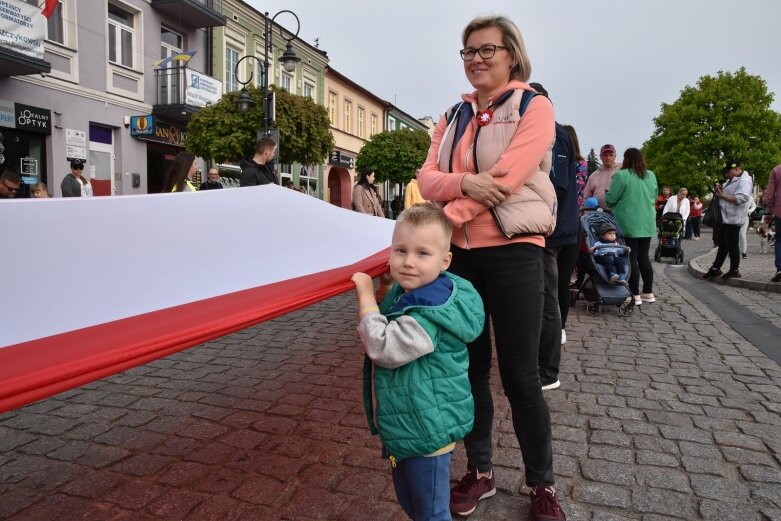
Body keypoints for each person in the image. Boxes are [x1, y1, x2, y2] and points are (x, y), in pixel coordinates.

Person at [418, 15, 565, 520]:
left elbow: (508, 178)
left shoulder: (533, 105)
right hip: (461, 259)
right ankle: (479, 472)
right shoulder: (452, 114)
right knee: (471, 370)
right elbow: (426, 177)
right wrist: (462, 185)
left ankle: (541, 485)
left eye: (487, 50)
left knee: (522, 377)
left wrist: (440, 223)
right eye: (468, 52)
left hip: (515, 251)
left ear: (511, 55)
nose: (476, 59)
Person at [351, 204, 484, 521]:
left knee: (431, 512)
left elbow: (384, 346)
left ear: (445, 260)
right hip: (409, 427)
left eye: (422, 253)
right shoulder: (412, 291)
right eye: (400, 250)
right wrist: (386, 291)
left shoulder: (429, 314)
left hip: (427, 432)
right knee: (413, 503)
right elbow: (394, 312)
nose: (408, 262)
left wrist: (367, 299)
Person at [527, 82, 579, 392]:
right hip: (551, 227)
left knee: (547, 296)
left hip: (551, 230)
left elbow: (554, 187)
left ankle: (547, 370)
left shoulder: (553, 133)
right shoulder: (550, 132)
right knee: (544, 294)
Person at [605, 148, 658, 306]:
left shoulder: (621, 175)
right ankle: (648, 291)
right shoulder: (651, 175)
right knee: (643, 257)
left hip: (628, 222)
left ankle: (634, 293)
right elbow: (654, 196)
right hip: (647, 222)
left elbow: (611, 200)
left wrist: (607, 193)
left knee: (630, 258)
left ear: (626, 159)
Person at [703, 159, 753, 280]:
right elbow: (724, 195)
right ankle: (715, 268)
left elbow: (742, 198)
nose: (726, 175)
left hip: (734, 219)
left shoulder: (745, 180)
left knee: (732, 245)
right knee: (723, 245)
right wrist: (720, 190)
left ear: (736, 169)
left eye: (728, 172)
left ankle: (734, 270)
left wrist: (722, 195)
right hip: (726, 218)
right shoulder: (731, 180)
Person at [583, 144, 621, 210]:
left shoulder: (622, 170)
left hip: (618, 213)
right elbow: (586, 196)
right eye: (605, 155)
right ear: (600, 157)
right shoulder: (593, 176)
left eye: (610, 155)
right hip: (598, 214)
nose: (608, 158)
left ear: (615, 156)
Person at [764, 163, 781, 282]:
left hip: (780, 210)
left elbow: (769, 193)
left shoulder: (777, 170)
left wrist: (768, 210)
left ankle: (780, 269)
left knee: (780, 240)